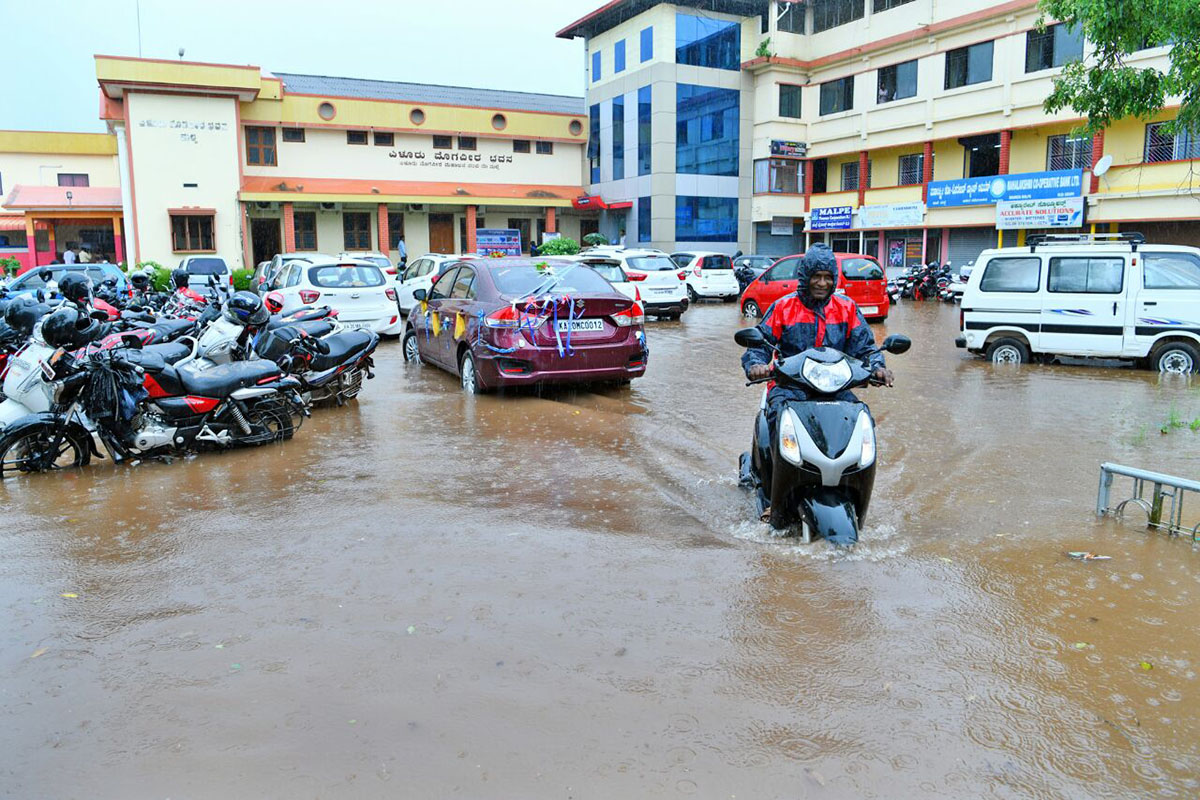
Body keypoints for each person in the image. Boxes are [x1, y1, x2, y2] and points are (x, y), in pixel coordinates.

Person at [742, 243, 893, 433]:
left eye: (828, 277)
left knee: (862, 424)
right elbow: (759, 344)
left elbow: (865, 349)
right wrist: (756, 364)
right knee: (779, 423)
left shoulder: (847, 308)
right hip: (790, 387)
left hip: (836, 388)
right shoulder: (783, 307)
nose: (822, 283)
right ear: (805, 277)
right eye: (816, 276)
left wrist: (878, 368)